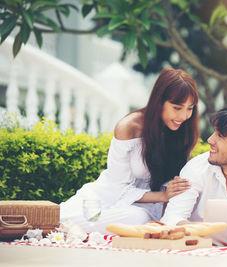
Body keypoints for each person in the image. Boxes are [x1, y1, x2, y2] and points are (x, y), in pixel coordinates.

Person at [60, 67, 199, 233]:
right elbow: (119, 188)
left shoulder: (184, 131)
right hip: (107, 198)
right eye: (177, 108)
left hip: (146, 210)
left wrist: (169, 205)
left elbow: (180, 184)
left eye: (190, 108)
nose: (183, 116)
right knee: (56, 219)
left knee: (142, 219)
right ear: (159, 101)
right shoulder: (129, 128)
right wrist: (163, 196)